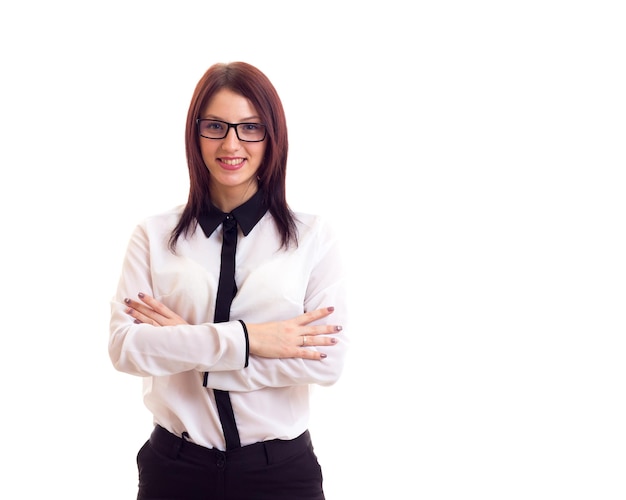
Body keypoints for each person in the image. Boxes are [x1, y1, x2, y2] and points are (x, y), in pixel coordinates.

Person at [108, 61, 348, 500]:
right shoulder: (154, 235)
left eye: (250, 127)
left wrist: (183, 341)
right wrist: (251, 341)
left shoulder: (313, 237)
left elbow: (325, 362)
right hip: (174, 470)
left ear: (272, 136)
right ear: (195, 132)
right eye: (215, 126)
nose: (231, 143)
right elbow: (126, 349)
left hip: (279, 472)